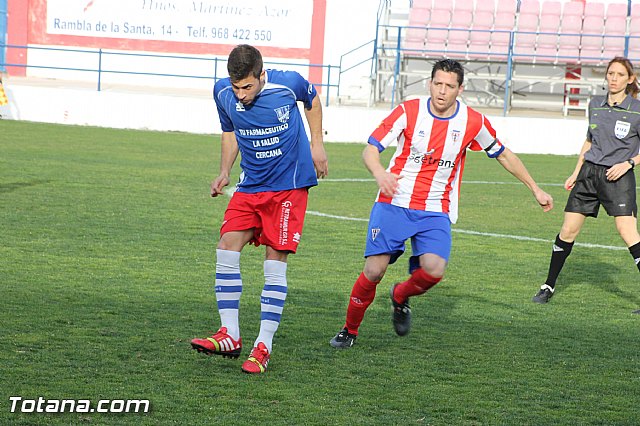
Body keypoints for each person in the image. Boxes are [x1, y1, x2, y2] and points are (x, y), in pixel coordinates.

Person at [329, 58, 554, 349]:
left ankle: (400, 296)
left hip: (436, 209)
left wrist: (534, 187)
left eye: (449, 86)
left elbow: (503, 154)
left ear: (460, 89)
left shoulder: (473, 122)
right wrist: (379, 172)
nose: (442, 91)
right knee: (374, 271)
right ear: (429, 83)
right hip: (394, 201)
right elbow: (371, 148)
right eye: (438, 84)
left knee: (434, 270)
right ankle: (350, 330)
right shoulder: (409, 111)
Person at [191, 44, 328, 373]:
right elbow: (230, 132)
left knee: (274, 260)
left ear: (262, 75)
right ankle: (230, 335)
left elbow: (311, 99)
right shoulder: (222, 92)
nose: (241, 95)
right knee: (226, 247)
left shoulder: (287, 83)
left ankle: (263, 345)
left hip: (289, 187)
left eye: (248, 87)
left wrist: (317, 143)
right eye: (236, 87)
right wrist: (224, 170)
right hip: (250, 185)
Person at [532, 57, 640, 308]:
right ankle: (548, 285)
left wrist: (629, 164)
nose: (613, 78)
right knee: (567, 230)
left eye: (619, 74)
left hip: (619, 177)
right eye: (610, 73)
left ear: (629, 79)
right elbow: (589, 142)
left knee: (628, 233)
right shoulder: (595, 105)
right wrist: (575, 172)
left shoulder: (637, 109)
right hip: (589, 175)